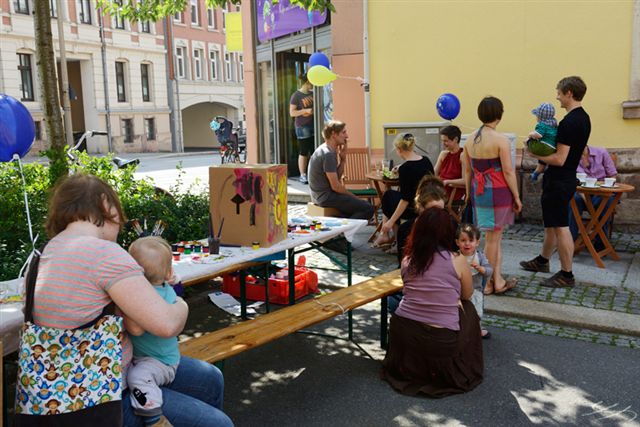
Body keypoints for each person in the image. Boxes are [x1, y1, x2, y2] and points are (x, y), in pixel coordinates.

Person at [31, 174, 233, 427]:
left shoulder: (44, 254)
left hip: (56, 391)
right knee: (218, 423)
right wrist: (180, 303)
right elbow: (167, 325)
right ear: (107, 207)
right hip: (102, 395)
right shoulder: (105, 253)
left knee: (210, 379)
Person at [380, 208, 483, 398]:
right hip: (440, 340)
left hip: (404, 333)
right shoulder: (457, 260)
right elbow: (467, 294)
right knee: (469, 309)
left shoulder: (407, 259)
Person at [521, 76, 591, 288]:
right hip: (565, 178)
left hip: (560, 180)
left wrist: (534, 154)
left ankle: (566, 274)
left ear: (569, 93)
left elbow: (560, 159)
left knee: (561, 226)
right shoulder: (584, 118)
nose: (557, 97)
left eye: (559, 93)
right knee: (551, 224)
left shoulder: (569, 122)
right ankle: (543, 261)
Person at [464, 96, 522, 294]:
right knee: (492, 239)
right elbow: (508, 171)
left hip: (479, 191)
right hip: (498, 191)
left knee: (495, 238)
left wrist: (468, 193)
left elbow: (467, 171)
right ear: (499, 114)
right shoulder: (501, 140)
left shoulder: (469, 140)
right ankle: (487, 282)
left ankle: (497, 280)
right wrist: (517, 196)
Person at [126, 237, 182, 427]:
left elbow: (136, 328)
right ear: (168, 273)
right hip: (159, 356)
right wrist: (174, 279)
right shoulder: (165, 288)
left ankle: (154, 417)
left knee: (137, 377)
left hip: (160, 362)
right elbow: (178, 288)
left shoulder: (146, 297)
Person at [373, 133, 434, 249]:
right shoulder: (426, 160)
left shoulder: (406, 168)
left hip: (415, 208)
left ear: (399, 149)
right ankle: (388, 237)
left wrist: (391, 221)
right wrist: (401, 167)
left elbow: (405, 199)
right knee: (390, 196)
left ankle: (394, 240)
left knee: (388, 197)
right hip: (429, 203)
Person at [307, 120, 374, 220]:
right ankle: (345, 228)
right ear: (334, 134)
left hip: (322, 196)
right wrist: (355, 197)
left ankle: (342, 226)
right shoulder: (328, 154)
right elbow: (336, 187)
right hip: (325, 197)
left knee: (355, 209)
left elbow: (336, 178)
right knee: (368, 208)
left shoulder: (328, 150)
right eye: (343, 132)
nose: (347, 136)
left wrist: (343, 160)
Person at [568, 145, 617, 249]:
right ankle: (570, 242)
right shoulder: (570, 157)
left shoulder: (601, 152)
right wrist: (587, 201)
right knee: (573, 200)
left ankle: (600, 243)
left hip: (602, 191)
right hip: (581, 193)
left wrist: (607, 187)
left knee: (605, 201)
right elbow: (571, 180)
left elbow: (612, 175)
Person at [455, 223, 493, 339]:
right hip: (458, 291)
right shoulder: (455, 256)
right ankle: (458, 328)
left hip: (476, 290)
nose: (467, 243)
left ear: (477, 242)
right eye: (463, 240)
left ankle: (477, 328)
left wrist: (481, 268)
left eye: (471, 240)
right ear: (457, 242)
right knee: (459, 311)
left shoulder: (480, 257)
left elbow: (489, 270)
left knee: (477, 311)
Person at [289, 73, 315, 184]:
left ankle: (313, 174)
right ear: (307, 82)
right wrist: (305, 111)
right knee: (304, 150)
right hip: (302, 126)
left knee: (314, 150)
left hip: (314, 125)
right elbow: (292, 113)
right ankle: (302, 175)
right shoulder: (296, 95)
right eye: (312, 82)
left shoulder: (313, 93)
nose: (313, 84)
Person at [434, 125, 465, 203]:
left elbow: (465, 180)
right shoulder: (443, 154)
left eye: (446, 141)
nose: (443, 144)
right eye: (442, 141)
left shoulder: (463, 155)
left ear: (456, 139)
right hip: (440, 194)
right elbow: (433, 174)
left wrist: (448, 182)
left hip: (453, 196)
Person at [528, 102, 558, 182]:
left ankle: (529, 150)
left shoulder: (541, 125)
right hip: (552, 148)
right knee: (543, 161)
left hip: (544, 146)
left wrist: (531, 134)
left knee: (528, 141)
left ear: (540, 116)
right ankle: (536, 173)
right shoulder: (554, 124)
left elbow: (539, 135)